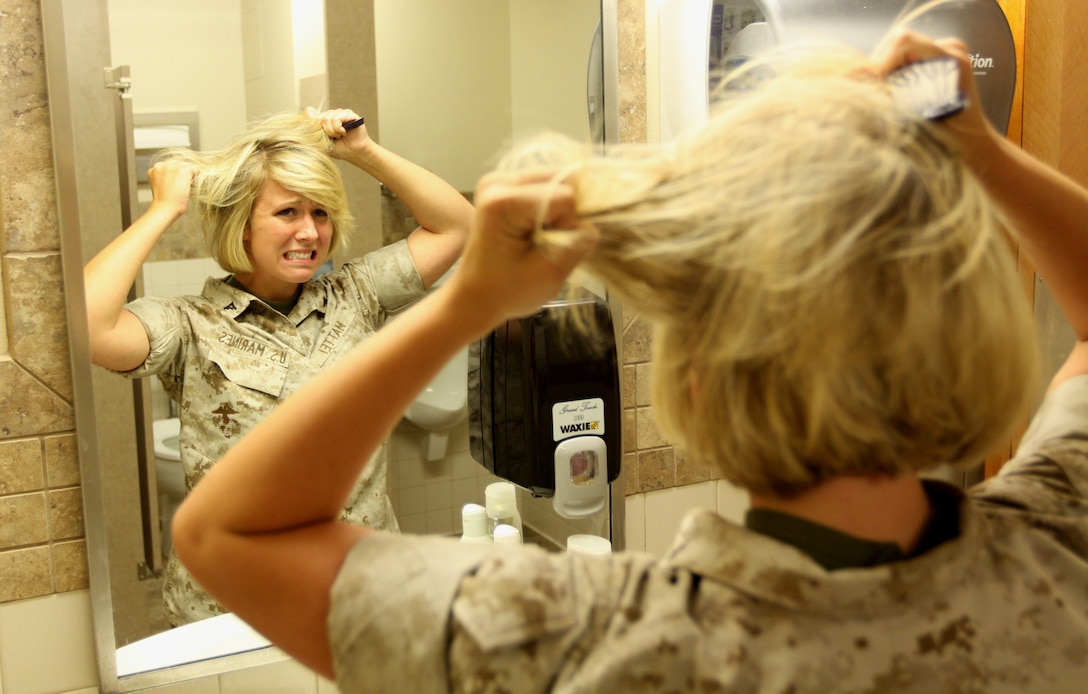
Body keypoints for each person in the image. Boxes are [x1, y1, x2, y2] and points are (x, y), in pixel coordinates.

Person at [172, 28, 1088, 692]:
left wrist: (472, 303)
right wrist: (986, 156)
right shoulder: (1056, 551)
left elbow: (230, 534)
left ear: (693, 384)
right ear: (977, 344)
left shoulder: (579, 639)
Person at [83, 108, 474, 626]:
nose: (309, 232)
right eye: (288, 213)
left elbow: (459, 227)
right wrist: (162, 210)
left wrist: (363, 153)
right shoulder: (189, 325)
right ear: (242, 225)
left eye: (321, 213)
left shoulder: (355, 295)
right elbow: (89, 326)